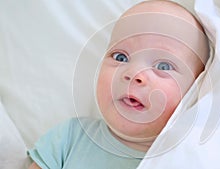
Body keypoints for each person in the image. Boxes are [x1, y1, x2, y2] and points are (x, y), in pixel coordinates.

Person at [28, 0, 209, 168]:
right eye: (120, 57)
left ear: (196, 89)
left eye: (163, 66)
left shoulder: (187, 159)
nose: (133, 74)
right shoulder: (69, 138)